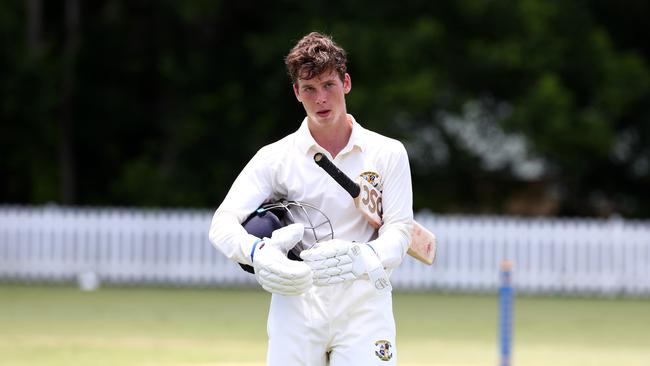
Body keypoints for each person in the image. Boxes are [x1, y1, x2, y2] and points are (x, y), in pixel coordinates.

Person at [209, 31, 414, 366]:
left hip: (364, 300)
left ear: (346, 83)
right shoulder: (275, 157)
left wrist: (364, 255)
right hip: (297, 301)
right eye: (310, 89)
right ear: (296, 92)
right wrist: (260, 253)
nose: (321, 98)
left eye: (328, 85)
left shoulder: (388, 152)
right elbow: (222, 224)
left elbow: (400, 231)